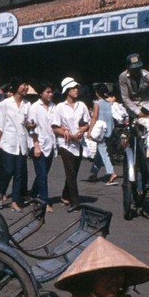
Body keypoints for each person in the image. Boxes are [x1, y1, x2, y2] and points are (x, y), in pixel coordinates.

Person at [0, 82, 31, 212]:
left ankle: (15, 201)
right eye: (23, 85)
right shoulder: (5, 104)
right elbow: (0, 125)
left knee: (19, 173)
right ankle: (0, 195)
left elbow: (28, 123)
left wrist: (31, 125)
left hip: (21, 143)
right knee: (7, 171)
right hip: (8, 143)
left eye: (27, 85)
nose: (26, 87)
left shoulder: (27, 104)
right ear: (16, 87)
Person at [53, 77, 91, 211]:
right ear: (67, 90)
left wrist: (83, 129)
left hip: (79, 142)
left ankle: (65, 194)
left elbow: (87, 123)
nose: (76, 90)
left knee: (73, 171)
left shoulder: (82, 105)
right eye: (73, 88)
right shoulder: (60, 107)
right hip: (66, 143)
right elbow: (55, 127)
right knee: (70, 172)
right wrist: (65, 133)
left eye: (77, 88)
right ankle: (75, 201)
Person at [27, 83, 57, 212]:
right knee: (43, 175)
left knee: (43, 173)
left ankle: (33, 194)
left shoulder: (53, 107)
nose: (50, 94)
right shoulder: (34, 107)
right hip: (38, 144)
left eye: (51, 92)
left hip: (51, 144)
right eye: (47, 92)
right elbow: (31, 128)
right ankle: (44, 202)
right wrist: (36, 146)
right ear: (41, 93)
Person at [86, 83, 117, 184]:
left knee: (103, 152)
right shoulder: (109, 103)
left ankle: (111, 172)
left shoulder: (97, 103)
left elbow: (94, 117)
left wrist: (89, 130)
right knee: (100, 152)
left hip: (100, 131)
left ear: (96, 93)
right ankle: (94, 173)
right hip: (109, 130)